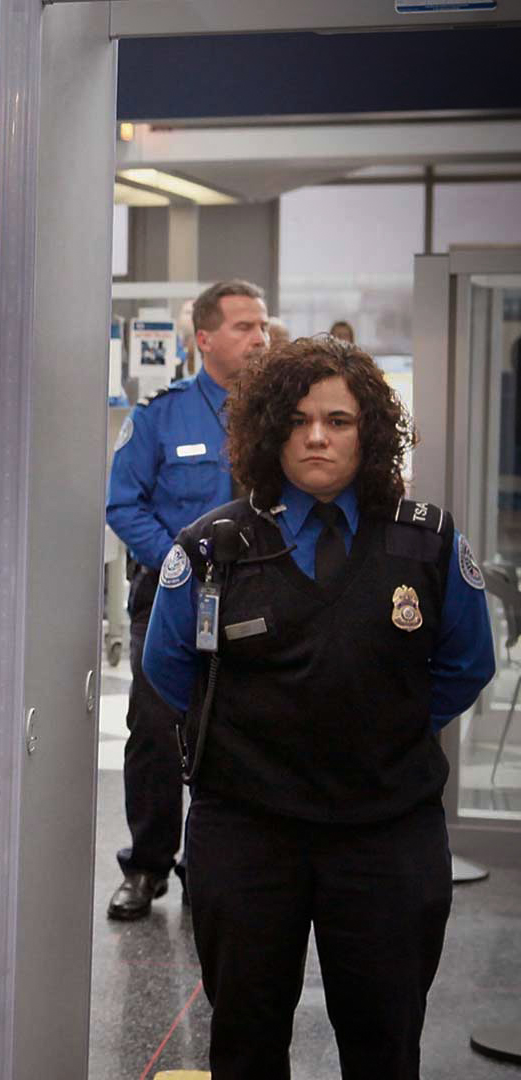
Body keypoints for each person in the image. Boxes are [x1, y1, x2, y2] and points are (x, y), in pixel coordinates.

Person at [142, 337, 493, 1079]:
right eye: (299, 419)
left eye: (338, 419)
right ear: (272, 430)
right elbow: (169, 668)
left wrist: (383, 728)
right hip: (247, 831)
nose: (317, 436)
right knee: (245, 1038)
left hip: (386, 832)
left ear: (368, 432)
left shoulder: (425, 542)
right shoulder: (215, 549)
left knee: (385, 1040)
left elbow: (468, 663)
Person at [103, 278, 270, 920]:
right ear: (204, 338)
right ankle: (147, 865)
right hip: (173, 599)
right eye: (243, 327)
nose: (259, 337)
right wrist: (181, 565)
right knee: (152, 726)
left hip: (261, 598)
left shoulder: (283, 415)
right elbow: (124, 503)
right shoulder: (160, 417)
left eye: (262, 326)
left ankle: (216, 862)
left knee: (243, 724)